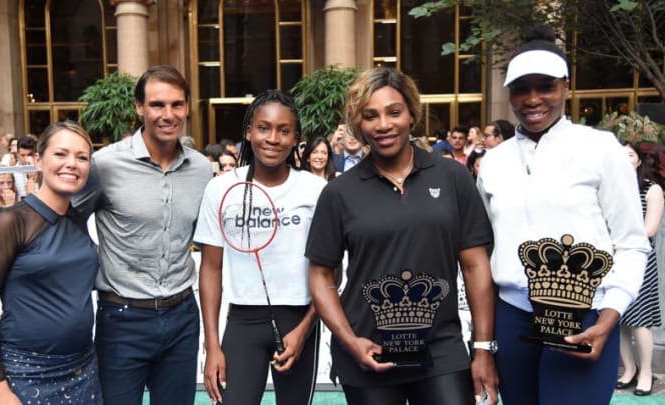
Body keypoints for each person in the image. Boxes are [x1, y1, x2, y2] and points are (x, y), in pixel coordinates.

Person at [476, 25, 651, 405]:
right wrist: (484, 342)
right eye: (522, 88)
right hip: (513, 316)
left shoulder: (602, 149)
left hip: (586, 315)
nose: (533, 98)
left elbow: (633, 244)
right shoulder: (493, 162)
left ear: (567, 87)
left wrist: (610, 315)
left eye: (546, 86)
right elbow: (485, 250)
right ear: (509, 94)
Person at [306, 67, 498, 405]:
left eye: (394, 111)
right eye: (370, 116)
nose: (383, 125)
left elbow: (475, 267)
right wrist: (351, 342)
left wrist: (483, 348)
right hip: (368, 351)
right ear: (358, 124)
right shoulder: (339, 192)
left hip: (441, 351)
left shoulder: (453, 178)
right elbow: (321, 276)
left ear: (411, 113)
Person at [72, 65, 212, 405]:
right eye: (157, 105)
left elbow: (208, 247)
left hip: (182, 316)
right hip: (122, 319)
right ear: (139, 107)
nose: (168, 114)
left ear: (187, 108)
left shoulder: (202, 169)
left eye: (177, 105)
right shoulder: (104, 165)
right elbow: (69, 224)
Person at [196, 90, 325, 405]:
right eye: (264, 128)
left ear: (296, 138)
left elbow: (329, 272)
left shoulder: (317, 190)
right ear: (249, 132)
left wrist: (305, 328)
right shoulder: (220, 189)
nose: (273, 138)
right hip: (243, 321)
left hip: (300, 321)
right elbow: (210, 268)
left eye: (284, 131)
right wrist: (212, 345)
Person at [0, 120, 102, 404]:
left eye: (82, 157)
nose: (72, 164)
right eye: (61, 154)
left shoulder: (78, 219)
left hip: (83, 369)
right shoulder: (9, 223)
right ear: (38, 160)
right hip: (22, 375)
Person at [616, 141, 663, 397]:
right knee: (617, 318)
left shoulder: (651, 189)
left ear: (639, 159)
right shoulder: (615, 188)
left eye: (629, 154)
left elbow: (650, 229)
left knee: (640, 320)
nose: (624, 158)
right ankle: (629, 369)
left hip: (640, 261)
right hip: (615, 260)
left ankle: (646, 372)